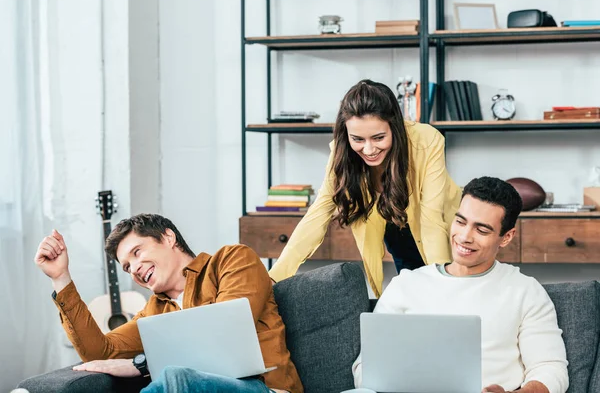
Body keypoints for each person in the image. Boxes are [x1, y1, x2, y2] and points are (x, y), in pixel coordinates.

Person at [34, 214, 303, 393]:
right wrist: (61, 278)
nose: (135, 269)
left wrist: (140, 365)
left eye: (137, 252)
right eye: (127, 268)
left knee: (176, 378)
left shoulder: (231, 260)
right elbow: (102, 352)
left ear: (168, 237)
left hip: (265, 388)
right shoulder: (154, 311)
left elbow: (224, 336)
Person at [352, 176, 569, 393]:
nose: (465, 237)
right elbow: (365, 368)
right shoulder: (406, 285)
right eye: (461, 221)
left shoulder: (526, 291)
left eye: (482, 230)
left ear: (506, 237)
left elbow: (550, 369)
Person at [269, 79, 462, 297]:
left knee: (448, 298)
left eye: (379, 137)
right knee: (415, 298)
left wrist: (444, 285)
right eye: (358, 139)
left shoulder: (427, 140)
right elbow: (319, 213)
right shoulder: (342, 152)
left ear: (395, 127)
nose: (369, 149)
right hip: (397, 227)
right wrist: (275, 277)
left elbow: (431, 221)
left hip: (446, 231)